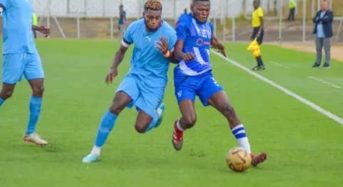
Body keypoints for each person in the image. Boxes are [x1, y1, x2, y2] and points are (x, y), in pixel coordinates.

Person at [171, 0, 267, 167]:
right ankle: (179, 127)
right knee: (190, 120)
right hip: (185, 78)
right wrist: (183, 55)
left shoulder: (209, 26)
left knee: (228, 109)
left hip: (205, 77)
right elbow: (177, 49)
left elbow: (210, 39)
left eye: (206, 9)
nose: (204, 12)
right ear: (193, 8)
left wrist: (219, 45)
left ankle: (249, 155)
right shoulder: (185, 23)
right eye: (200, 9)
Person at [82, 0, 177, 163]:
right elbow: (121, 50)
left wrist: (167, 53)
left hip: (155, 83)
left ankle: (157, 113)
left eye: (157, 17)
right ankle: (96, 151)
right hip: (135, 76)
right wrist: (113, 68)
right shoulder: (134, 28)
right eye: (150, 17)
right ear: (144, 15)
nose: (154, 20)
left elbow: (176, 59)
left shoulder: (169, 33)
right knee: (117, 104)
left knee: (140, 127)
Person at [0, 0, 50, 146]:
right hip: (14, 49)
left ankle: (30, 133)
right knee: (7, 92)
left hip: (30, 49)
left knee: (39, 87)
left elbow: (21, 22)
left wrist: (37, 28)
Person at [312, 0, 333, 68]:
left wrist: (320, 19)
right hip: (318, 34)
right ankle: (318, 62)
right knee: (318, 49)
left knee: (327, 49)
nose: (322, 6)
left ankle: (327, 62)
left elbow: (327, 20)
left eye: (324, 5)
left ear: (327, 5)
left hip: (326, 34)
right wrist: (320, 19)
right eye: (321, 5)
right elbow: (314, 19)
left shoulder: (330, 13)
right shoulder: (318, 12)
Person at [251, 0, 265, 71]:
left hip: (258, 29)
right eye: (254, 3)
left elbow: (262, 21)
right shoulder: (255, 11)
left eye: (256, 3)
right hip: (255, 29)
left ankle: (260, 64)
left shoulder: (259, 10)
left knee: (255, 47)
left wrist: (259, 31)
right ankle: (259, 64)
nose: (254, 4)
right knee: (254, 48)